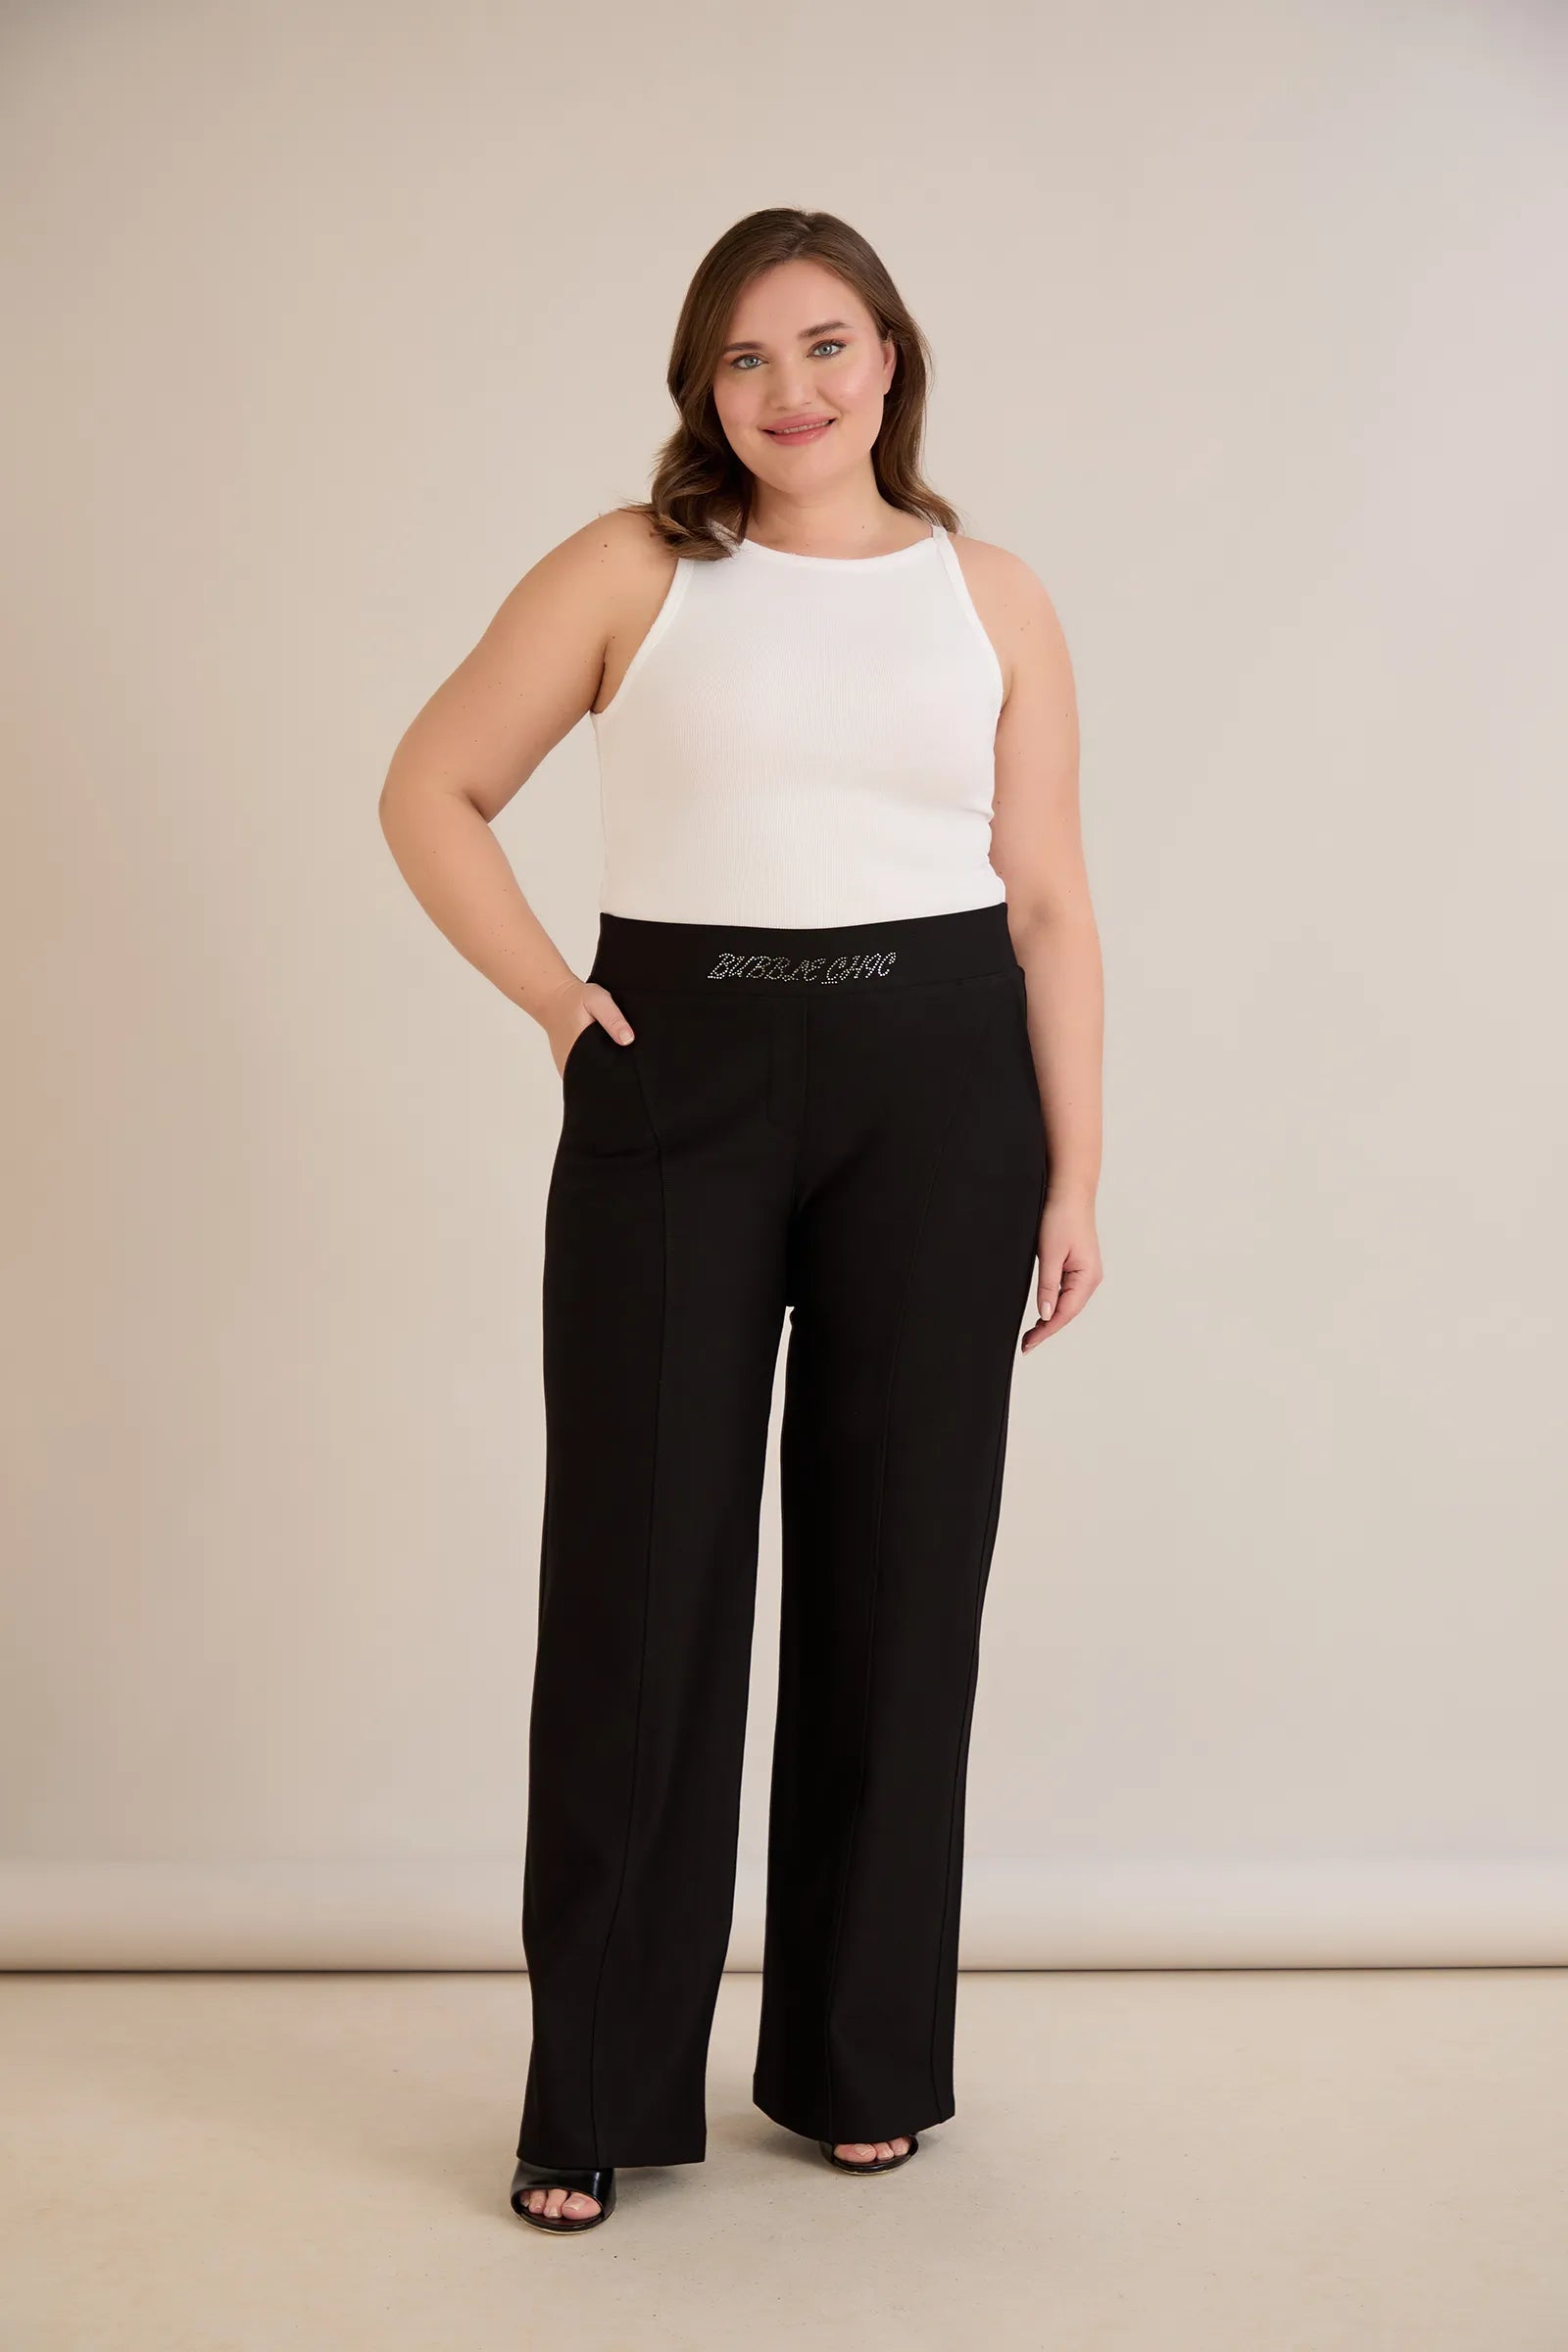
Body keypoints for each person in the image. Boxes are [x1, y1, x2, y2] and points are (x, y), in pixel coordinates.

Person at [377, 206, 1103, 2234]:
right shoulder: (634, 569)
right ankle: (596, 2092)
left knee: (901, 1582)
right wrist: (557, 1004)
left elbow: (1049, 900)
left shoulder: (992, 595)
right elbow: (430, 786)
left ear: (890, 357)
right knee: (639, 1580)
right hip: (676, 1083)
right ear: (703, 386)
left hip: (941, 1092)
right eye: (745, 356)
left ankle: (861, 2060)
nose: (790, 388)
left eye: (825, 343)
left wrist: (1076, 1171)